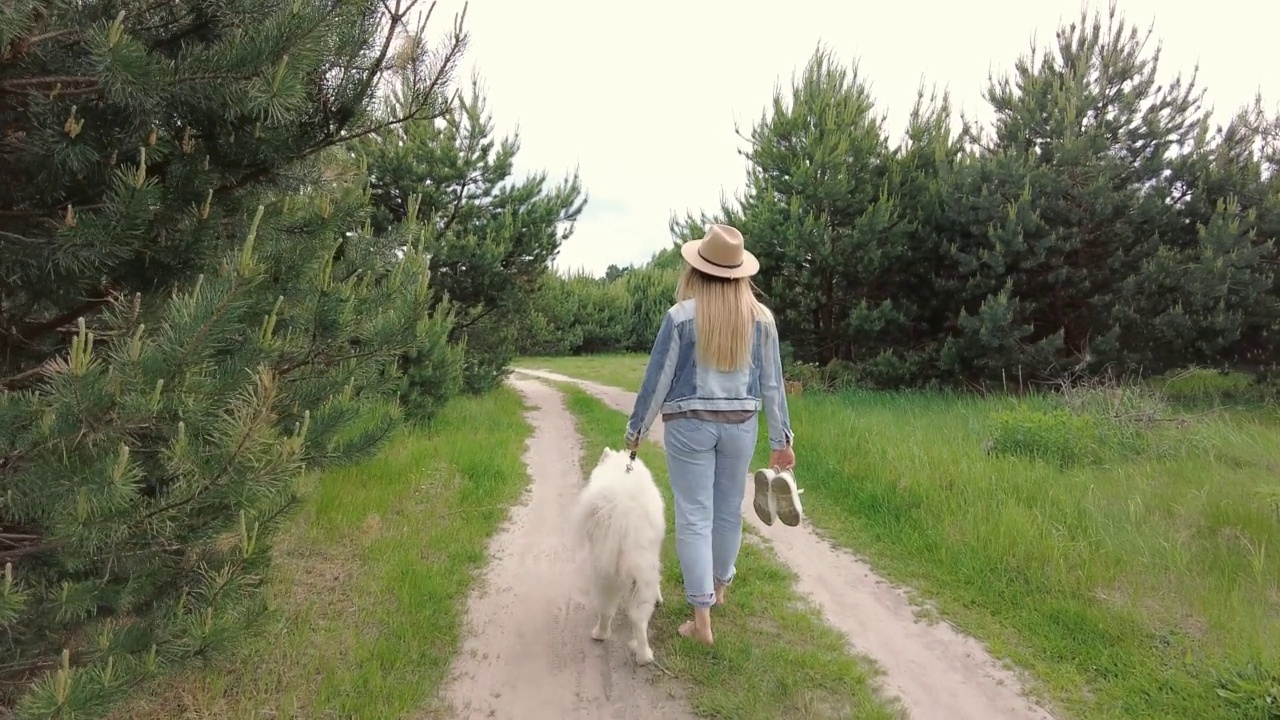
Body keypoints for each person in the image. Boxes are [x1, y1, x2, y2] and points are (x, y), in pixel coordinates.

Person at [624, 223, 798, 647]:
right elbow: (773, 384)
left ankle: (701, 621)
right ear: (741, 273)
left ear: (698, 270)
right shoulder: (761, 319)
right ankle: (719, 591)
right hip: (741, 425)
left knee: (694, 517)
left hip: (688, 427)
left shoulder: (680, 316)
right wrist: (781, 441)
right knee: (726, 512)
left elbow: (658, 379)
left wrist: (635, 432)